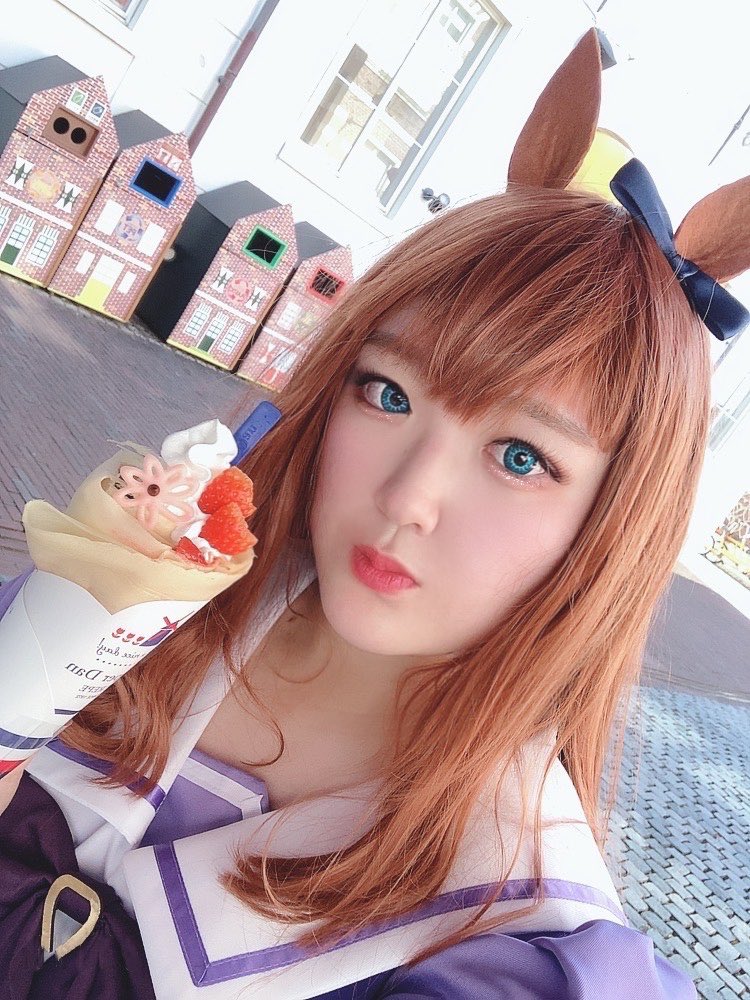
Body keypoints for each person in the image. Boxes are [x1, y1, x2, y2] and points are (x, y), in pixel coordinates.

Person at [1, 28, 748, 999]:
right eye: (388, 394)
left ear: (609, 528)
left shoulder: (512, 913)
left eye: (522, 457)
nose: (407, 499)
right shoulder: (148, 600)